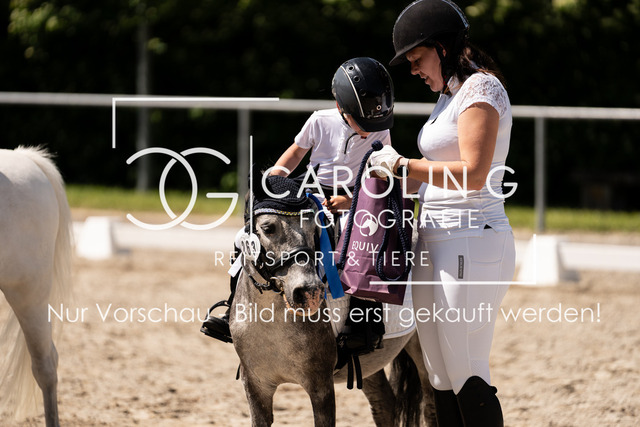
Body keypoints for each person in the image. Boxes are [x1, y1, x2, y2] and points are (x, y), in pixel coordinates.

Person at [369, 1, 516, 426]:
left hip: (471, 237)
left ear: (442, 47)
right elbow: (431, 177)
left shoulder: (481, 90)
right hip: (433, 238)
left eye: (417, 59)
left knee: (466, 368)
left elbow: (473, 174)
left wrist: (403, 165)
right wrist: (374, 186)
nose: (414, 70)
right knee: (439, 375)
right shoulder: (448, 96)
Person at [201, 56, 395, 343]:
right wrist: (273, 179)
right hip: (311, 193)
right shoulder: (320, 120)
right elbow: (296, 152)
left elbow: (380, 175)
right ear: (341, 107)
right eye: (362, 121)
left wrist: (350, 200)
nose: (370, 128)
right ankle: (233, 309)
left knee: (362, 244)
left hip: (355, 197)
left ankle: (366, 325)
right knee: (244, 238)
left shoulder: (381, 130)